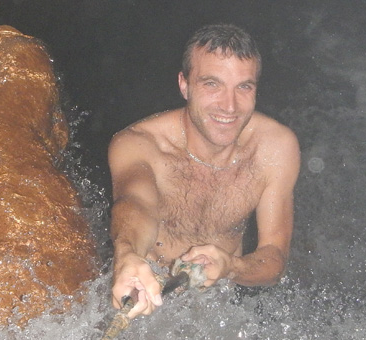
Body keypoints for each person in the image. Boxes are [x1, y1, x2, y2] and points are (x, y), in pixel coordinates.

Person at [109, 24, 300, 316]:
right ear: (184, 85)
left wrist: (231, 267)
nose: (229, 106)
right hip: (144, 291)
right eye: (212, 84)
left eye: (244, 87)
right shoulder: (139, 144)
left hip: (216, 310)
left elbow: (274, 258)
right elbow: (136, 204)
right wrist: (127, 256)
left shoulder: (275, 148)